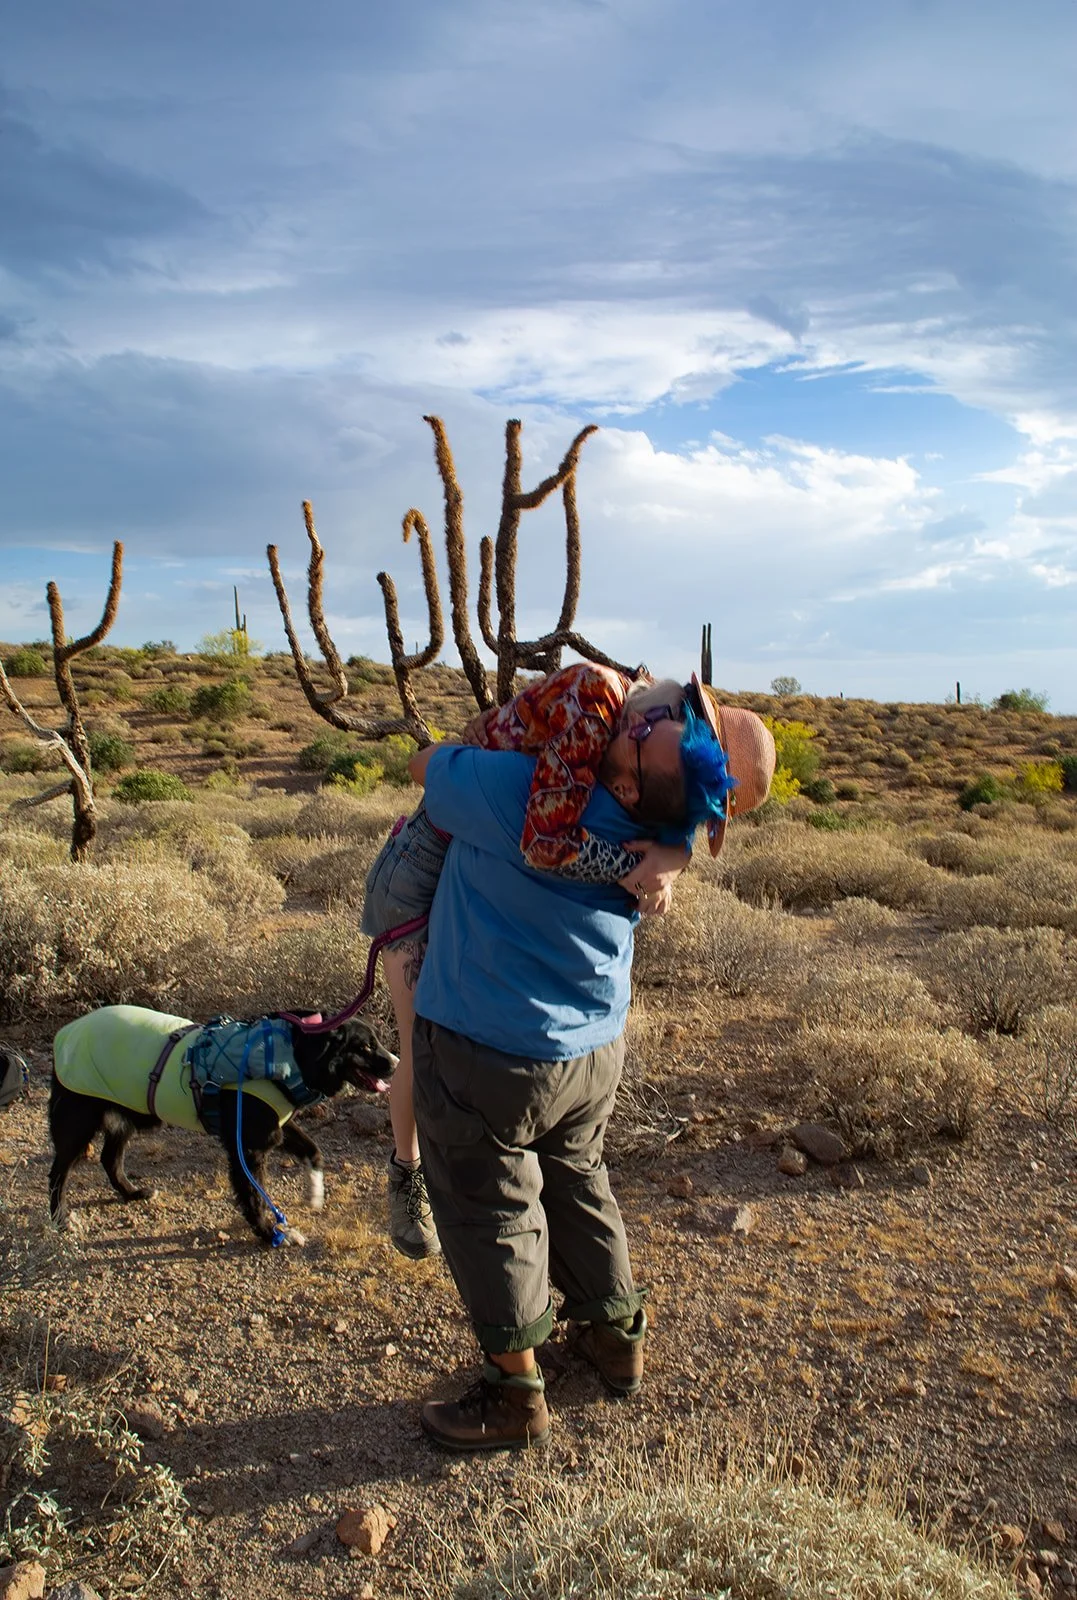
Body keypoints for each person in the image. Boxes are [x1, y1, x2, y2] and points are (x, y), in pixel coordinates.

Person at [401, 697, 775, 1450]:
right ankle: (615, 1340)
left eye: (670, 720)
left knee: (487, 1206)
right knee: (576, 1179)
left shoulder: (518, 790)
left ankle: (513, 1394)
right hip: (591, 1047)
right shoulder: (664, 834)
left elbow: (426, 770)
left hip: (488, 1039)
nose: (650, 711)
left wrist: (507, 728)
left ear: (646, 772)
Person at [362, 663, 766, 1259]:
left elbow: (664, 808)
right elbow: (543, 842)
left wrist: (675, 855)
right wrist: (632, 869)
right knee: (422, 1039)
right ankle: (407, 1168)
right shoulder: (601, 715)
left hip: (468, 841)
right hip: (423, 862)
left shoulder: (645, 750)